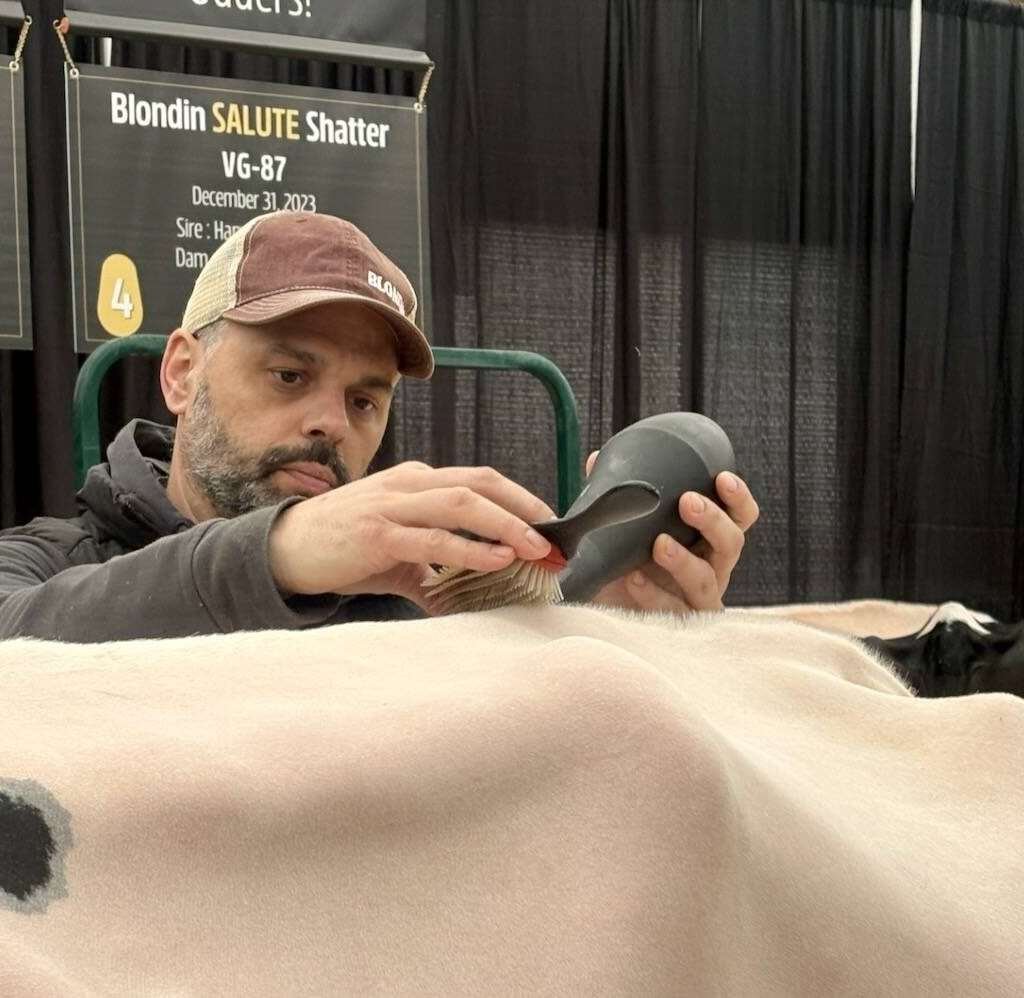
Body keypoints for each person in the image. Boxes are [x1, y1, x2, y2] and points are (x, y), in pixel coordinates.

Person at [0, 211, 759, 642]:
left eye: (366, 401)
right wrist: (279, 557)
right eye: (290, 375)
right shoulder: (44, 565)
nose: (331, 423)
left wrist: (607, 636)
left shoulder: (417, 605)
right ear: (181, 373)